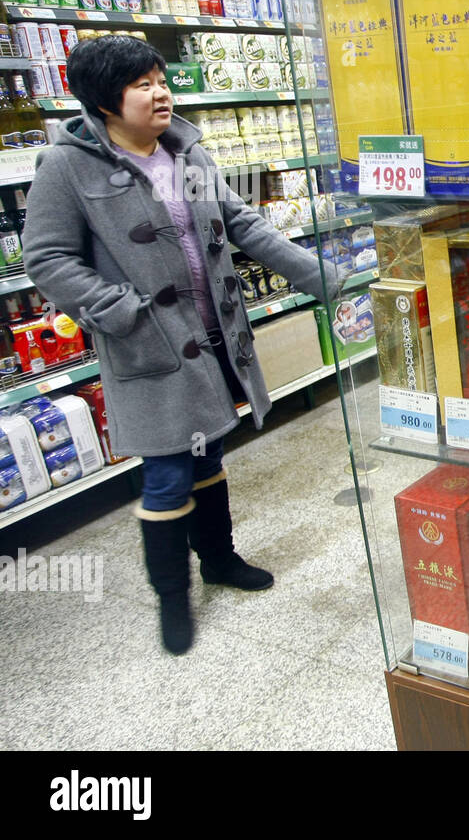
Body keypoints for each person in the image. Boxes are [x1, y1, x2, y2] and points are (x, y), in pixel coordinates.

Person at [23, 35, 342, 655]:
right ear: (105, 101)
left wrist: (318, 274)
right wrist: (119, 311)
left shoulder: (184, 152)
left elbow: (240, 222)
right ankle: (172, 596)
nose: (160, 92)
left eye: (160, 78)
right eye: (142, 84)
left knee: (208, 454)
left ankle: (219, 560)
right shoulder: (68, 166)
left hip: (212, 335)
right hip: (150, 346)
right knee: (168, 472)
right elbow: (47, 259)